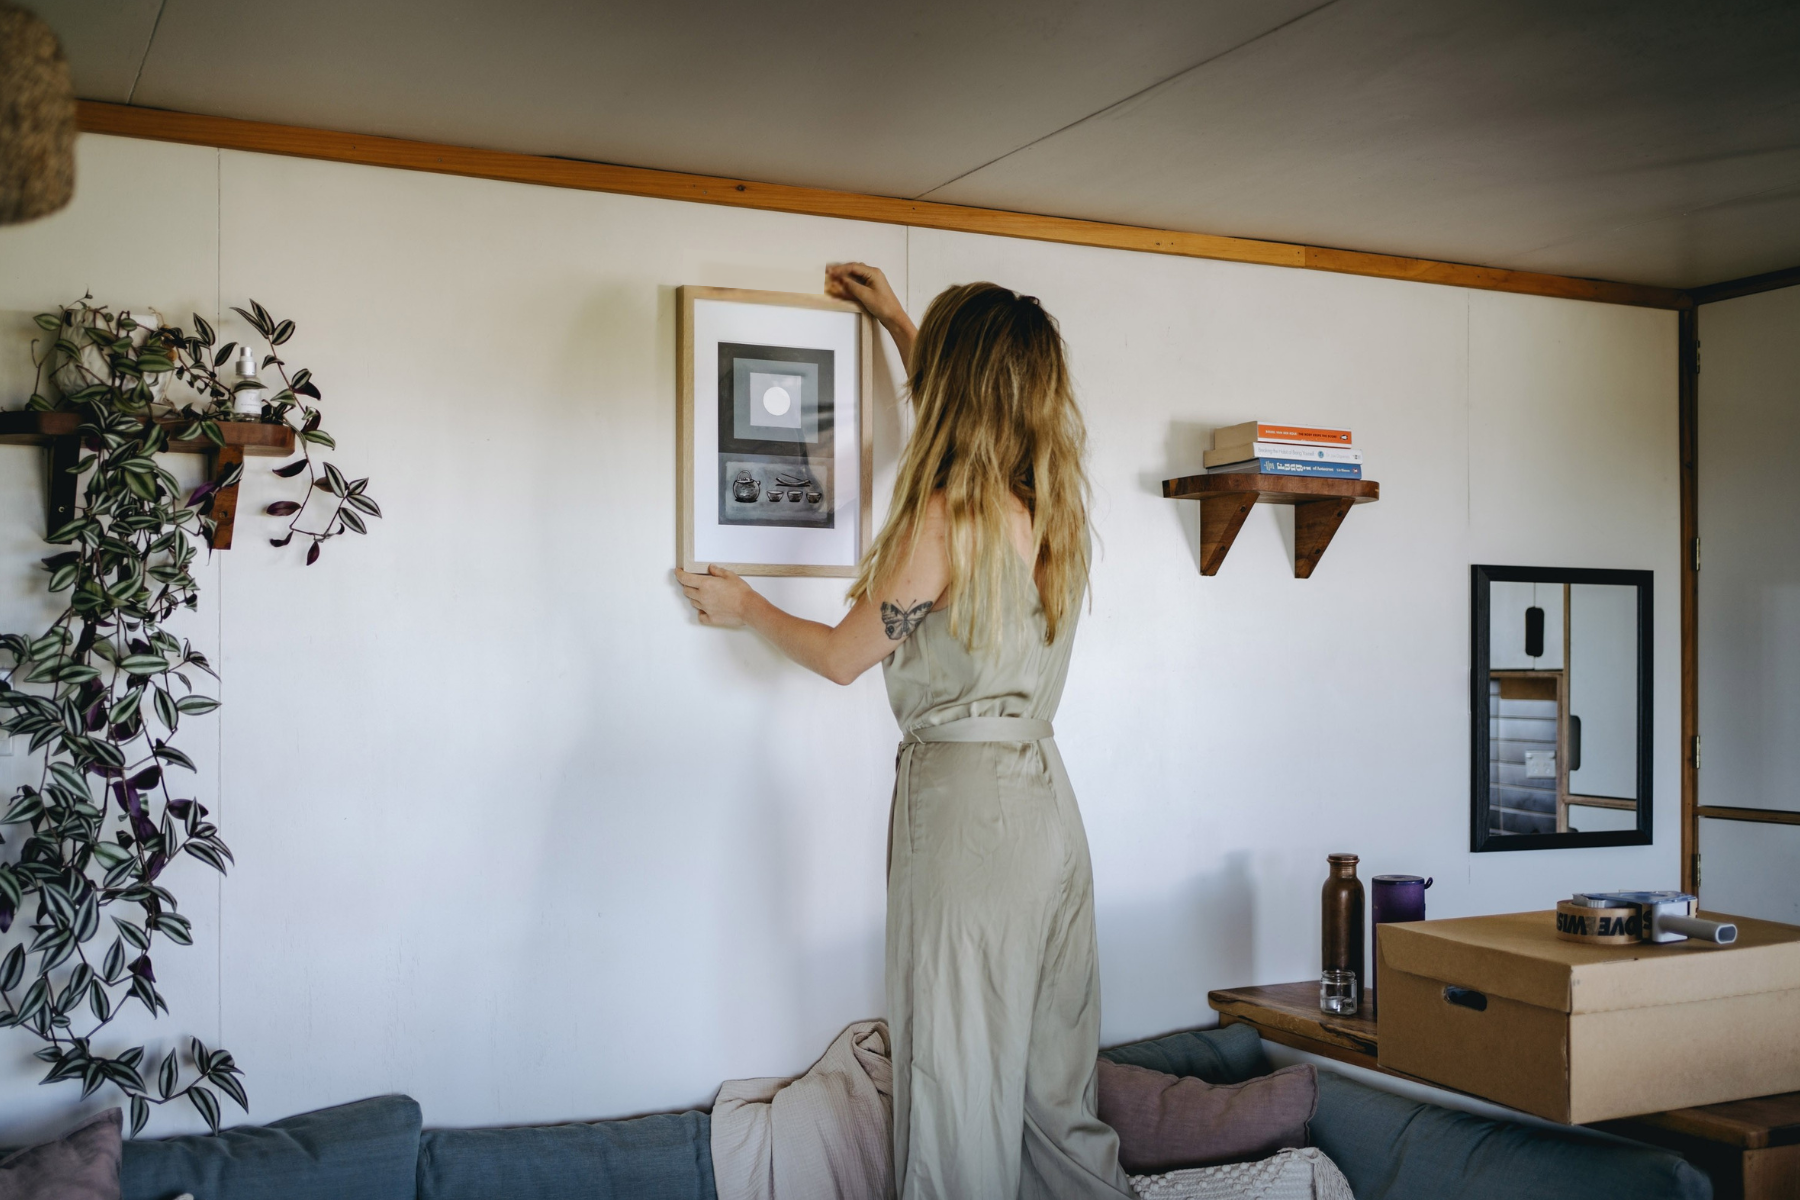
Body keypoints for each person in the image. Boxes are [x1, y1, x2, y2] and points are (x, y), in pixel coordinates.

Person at [676, 264, 1134, 1200]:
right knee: (1056, 1093)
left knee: (955, 1082)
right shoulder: (1050, 510)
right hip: (1048, 807)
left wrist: (748, 606)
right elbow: (968, 402)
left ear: (958, 387)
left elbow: (845, 657)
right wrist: (895, 322)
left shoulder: (945, 518)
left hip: (967, 820)